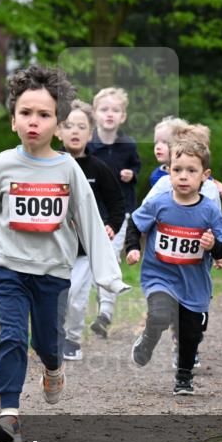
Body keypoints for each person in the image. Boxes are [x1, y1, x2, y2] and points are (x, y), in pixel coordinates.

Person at [0, 66, 129, 442]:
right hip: (9, 266)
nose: (34, 122)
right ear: (13, 120)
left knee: (46, 341)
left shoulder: (67, 169)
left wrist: (108, 274)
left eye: (44, 115)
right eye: (26, 113)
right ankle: (9, 414)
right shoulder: (1, 165)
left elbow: (90, 220)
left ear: (58, 124)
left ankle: (54, 366)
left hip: (53, 271)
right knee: (11, 336)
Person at [125, 140, 222, 394]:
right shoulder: (159, 203)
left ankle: (184, 377)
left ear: (205, 176)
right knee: (160, 314)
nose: (183, 176)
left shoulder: (210, 210)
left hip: (194, 283)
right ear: (169, 171)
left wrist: (213, 245)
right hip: (159, 275)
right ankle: (148, 340)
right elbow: (135, 225)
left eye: (191, 171)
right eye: (177, 170)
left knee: (191, 333)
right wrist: (133, 247)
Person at [53, 100, 125, 362]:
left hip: (84, 249)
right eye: (68, 125)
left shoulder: (97, 168)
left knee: (75, 296)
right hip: (52, 245)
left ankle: (71, 338)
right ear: (58, 131)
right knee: (52, 296)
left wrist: (112, 226)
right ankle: (51, 336)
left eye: (81, 126)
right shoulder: (50, 164)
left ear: (90, 132)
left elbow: (117, 202)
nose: (74, 131)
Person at [86, 87, 140, 339]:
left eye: (115, 110)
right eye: (104, 109)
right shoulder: (87, 146)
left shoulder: (127, 145)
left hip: (119, 215)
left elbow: (135, 167)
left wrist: (131, 174)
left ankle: (104, 313)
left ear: (123, 116)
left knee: (109, 260)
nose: (109, 114)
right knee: (85, 264)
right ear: (95, 114)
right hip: (90, 212)